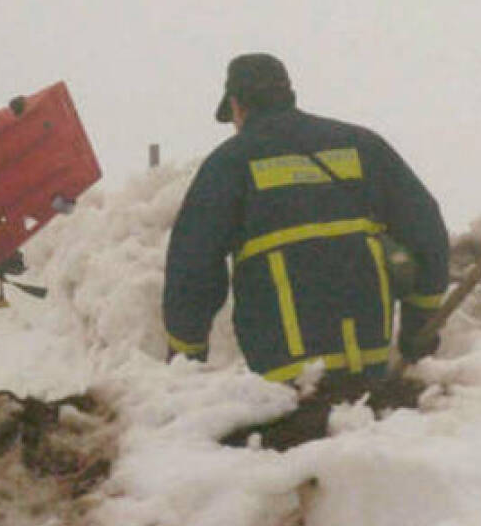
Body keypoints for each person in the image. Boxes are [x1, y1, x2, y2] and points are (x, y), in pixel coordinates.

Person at [162, 53, 450, 382]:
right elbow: (427, 233)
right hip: (368, 357)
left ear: (237, 106)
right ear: (289, 95)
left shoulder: (229, 163)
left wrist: (186, 354)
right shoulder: (362, 146)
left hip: (285, 373)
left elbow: (193, 267)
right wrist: (419, 325)